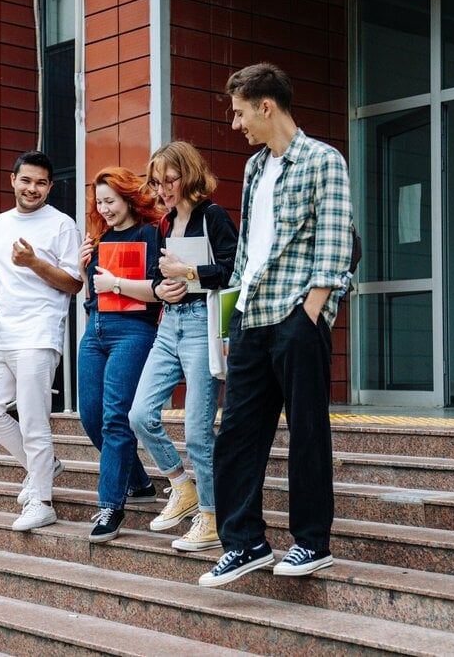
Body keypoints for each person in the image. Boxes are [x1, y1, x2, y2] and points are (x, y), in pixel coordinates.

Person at [199, 63, 354, 587]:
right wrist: (230, 320)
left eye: (241, 113)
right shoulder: (254, 168)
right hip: (250, 318)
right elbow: (247, 253)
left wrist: (310, 312)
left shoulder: (323, 161)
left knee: (307, 432)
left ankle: (312, 542)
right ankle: (245, 543)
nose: (236, 124)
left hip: (294, 317)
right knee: (236, 433)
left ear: (266, 106)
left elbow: (334, 246)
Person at [0, 150, 82, 532]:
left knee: (33, 420)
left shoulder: (62, 225)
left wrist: (35, 263)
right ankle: (42, 466)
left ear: (49, 187)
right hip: (1, 333)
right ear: (13, 180)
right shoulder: (0, 223)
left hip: (39, 334)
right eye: (26, 180)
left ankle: (42, 501)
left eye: (41, 183)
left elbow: (73, 283)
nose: (33, 188)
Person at [128, 141, 237, 552]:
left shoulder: (213, 216)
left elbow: (232, 269)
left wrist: (188, 272)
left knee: (196, 432)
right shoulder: (164, 224)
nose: (162, 190)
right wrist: (164, 287)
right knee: (139, 414)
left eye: (168, 180)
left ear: (188, 174)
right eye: (156, 183)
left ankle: (210, 517)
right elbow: (161, 279)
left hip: (199, 326)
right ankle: (181, 484)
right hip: (168, 323)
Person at [78, 167, 166, 543]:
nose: (105, 209)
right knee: (91, 415)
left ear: (128, 198)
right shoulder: (98, 240)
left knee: (116, 417)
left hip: (133, 331)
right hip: (94, 329)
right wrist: (85, 271)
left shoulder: (149, 234)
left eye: (110, 201)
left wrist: (114, 282)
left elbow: (158, 290)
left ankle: (110, 507)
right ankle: (139, 481)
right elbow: (92, 294)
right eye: (100, 203)